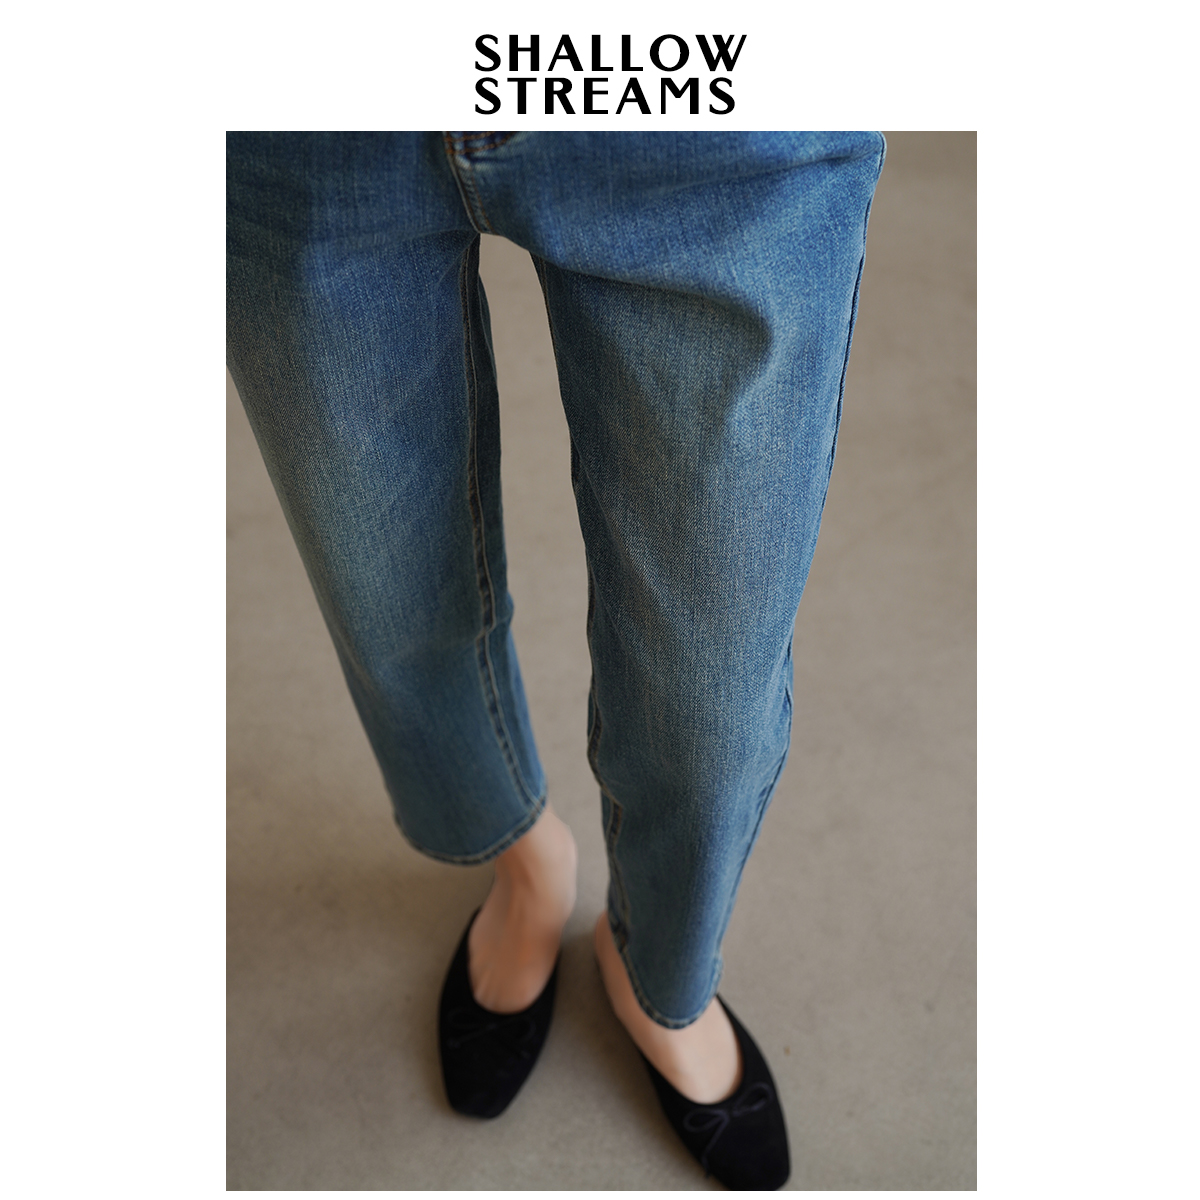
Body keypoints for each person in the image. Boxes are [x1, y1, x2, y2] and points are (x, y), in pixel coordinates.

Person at [226, 130, 884, 1190]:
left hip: (699, 109)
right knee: (383, 597)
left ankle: (660, 965)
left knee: (709, 695)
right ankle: (527, 865)